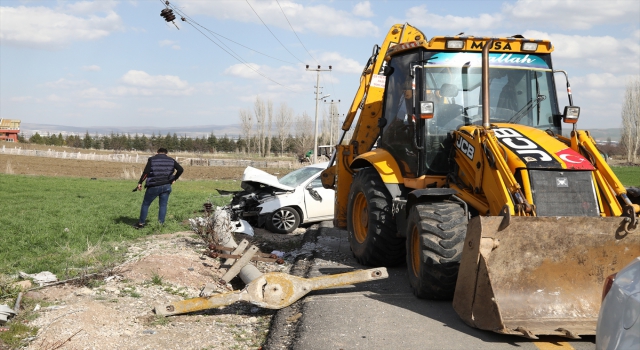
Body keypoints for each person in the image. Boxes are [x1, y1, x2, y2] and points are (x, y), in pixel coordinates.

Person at [134, 148, 183, 228]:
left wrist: (140, 182)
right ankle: (160, 225)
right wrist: (174, 178)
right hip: (167, 186)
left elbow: (146, 173)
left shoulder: (152, 160)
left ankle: (141, 224)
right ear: (166, 154)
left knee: (146, 204)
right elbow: (180, 169)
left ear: (157, 152)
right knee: (163, 205)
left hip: (154, 186)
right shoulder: (171, 160)